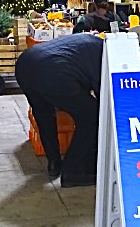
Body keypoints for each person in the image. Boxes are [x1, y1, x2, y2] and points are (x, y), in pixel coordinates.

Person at [15, 34, 104, 187]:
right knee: (92, 116)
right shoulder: (105, 56)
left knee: (44, 114)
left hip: (26, 62)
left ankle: (54, 163)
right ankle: (74, 172)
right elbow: (104, 96)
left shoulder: (92, 41)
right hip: (54, 71)